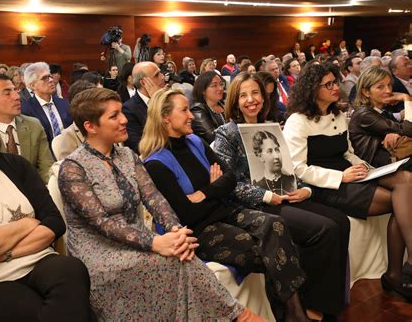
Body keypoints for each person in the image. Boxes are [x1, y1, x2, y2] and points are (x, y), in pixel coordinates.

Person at [58, 87, 263, 322]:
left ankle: (235, 316)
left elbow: (155, 199)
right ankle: (239, 316)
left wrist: (176, 232)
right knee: (179, 260)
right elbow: (101, 223)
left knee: (182, 253)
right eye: (114, 116)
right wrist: (154, 241)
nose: (125, 120)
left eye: (122, 113)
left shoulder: (127, 156)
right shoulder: (73, 167)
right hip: (99, 251)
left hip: (135, 239)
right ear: (90, 126)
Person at [140, 88, 314, 322]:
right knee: (268, 250)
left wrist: (205, 192)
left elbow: (230, 177)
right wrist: (215, 187)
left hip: (225, 212)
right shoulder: (156, 163)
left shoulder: (194, 141)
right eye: (184, 111)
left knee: (277, 225)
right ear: (164, 118)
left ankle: (293, 314)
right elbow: (187, 213)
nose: (191, 116)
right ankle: (292, 312)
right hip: (198, 230)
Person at [0, 87, 93, 322]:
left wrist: (4, 252)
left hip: (35, 260)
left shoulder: (16, 165)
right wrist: (28, 223)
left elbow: (54, 222)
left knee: (71, 269)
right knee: (31, 306)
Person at [213, 72, 350, 321]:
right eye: (243, 95)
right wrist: (266, 196)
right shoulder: (227, 133)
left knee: (341, 220)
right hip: (256, 204)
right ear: (234, 100)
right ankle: (315, 305)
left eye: (255, 93)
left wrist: (305, 189)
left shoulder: (272, 125)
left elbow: (289, 169)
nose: (251, 99)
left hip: (285, 195)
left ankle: (330, 302)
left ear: (264, 98)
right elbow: (228, 183)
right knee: (325, 228)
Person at [283, 62, 412, 303]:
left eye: (335, 82)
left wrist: (362, 165)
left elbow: (347, 152)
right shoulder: (297, 121)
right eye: (328, 84)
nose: (335, 88)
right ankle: (397, 273)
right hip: (325, 185)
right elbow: (298, 169)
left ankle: (399, 271)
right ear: (312, 89)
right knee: (402, 198)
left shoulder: (338, 115)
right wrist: (341, 176)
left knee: (406, 181)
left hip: (350, 174)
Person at [0, 74, 54, 183]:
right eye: (7, 93)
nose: (17, 97)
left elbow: (46, 168)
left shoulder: (33, 125)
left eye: (15, 90)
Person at [348, 66, 412, 169]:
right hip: (373, 168)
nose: (388, 90)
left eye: (389, 85)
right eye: (380, 87)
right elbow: (409, 129)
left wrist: (396, 133)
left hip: (390, 160)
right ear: (366, 92)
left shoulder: (379, 110)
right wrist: (406, 98)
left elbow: (403, 128)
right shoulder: (364, 114)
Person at [190, 71, 226, 144]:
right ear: (203, 90)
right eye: (214, 85)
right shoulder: (197, 110)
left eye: (221, 84)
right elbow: (212, 137)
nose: (220, 88)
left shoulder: (224, 105)